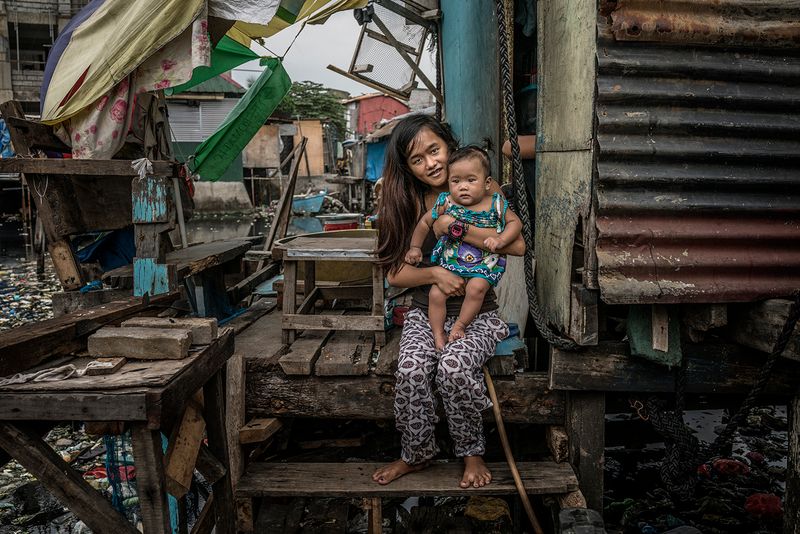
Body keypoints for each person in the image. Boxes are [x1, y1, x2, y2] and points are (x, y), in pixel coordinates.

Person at [372, 115, 525, 489]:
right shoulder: (406, 201)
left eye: (434, 150)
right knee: (410, 370)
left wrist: (455, 228)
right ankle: (416, 453)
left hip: (480, 315)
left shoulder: (487, 194)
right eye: (418, 159)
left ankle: (471, 453)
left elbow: (518, 245)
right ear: (407, 167)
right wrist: (435, 274)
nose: (432, 164)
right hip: (427, 313)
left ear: (448, 143)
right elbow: (394, 274)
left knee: (454, 369)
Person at [404, 146, 522, 351]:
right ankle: (438, 333)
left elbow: (516, 224)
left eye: (471, 180)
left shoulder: (495, 204)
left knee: (476, 289)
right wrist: (415, 247)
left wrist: (501, 240)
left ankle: (460, 325)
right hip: (451, 264)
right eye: (456, 181)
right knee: (436, 295)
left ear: (487, 183)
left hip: (483, 265)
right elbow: (424, 223)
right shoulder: (446, 202)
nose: (463, 187)